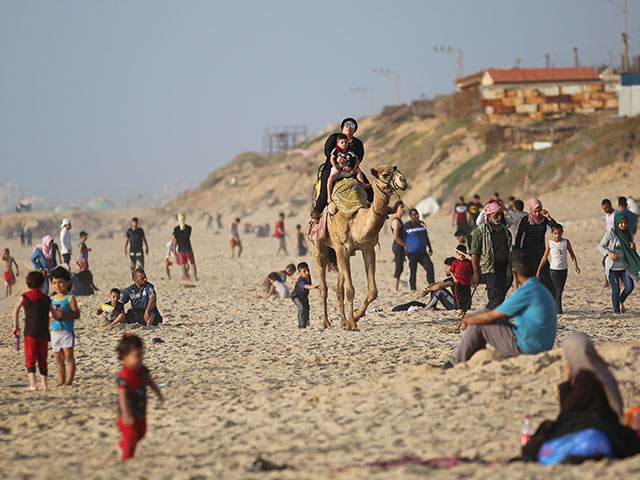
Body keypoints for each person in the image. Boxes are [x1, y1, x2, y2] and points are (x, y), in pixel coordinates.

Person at [522, 333, 640, 462]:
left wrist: (566, 381)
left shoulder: (586, 377)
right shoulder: (602, 371)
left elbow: (567, 409)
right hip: (608, 423)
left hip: (595, 425)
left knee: (545, 430)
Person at [443, 251, 557, 369]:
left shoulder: (525, 291)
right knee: (481, 318)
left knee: (480, 318)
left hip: (528, 348)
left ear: (515, 274)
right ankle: (472, 359)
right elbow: (503, 316)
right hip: (543, 346)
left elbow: (490, 316)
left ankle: (454, 363)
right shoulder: (541, 289)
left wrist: (467, 320)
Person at [115, 333, 164, 460]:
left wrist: (158, 393)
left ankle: (121, 445)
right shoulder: (124, 375)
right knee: (130, 435)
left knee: (141, 433)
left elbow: (149, 381)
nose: (141, 359)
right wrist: (125, 413)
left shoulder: (142, 370)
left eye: (142, 355)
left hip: (140, 409)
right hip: (127, 412)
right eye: (137, 356)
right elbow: (122, 397)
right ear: (124, 357)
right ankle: (127, 457)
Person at [12, 271, 60, 391]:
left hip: (30, 333)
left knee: (30, 357)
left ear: (28, 285)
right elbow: (54, 315)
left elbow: (15, 310)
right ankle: (44, 384)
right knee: (42, 357)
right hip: (43, 333)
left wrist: (15, 326)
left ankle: (33, 384)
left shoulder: (24, 297)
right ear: (43, 285)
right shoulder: (46, 299)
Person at [314, 117, 372, 213]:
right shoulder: (334, 138)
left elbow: (359, 157)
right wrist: (336, 159)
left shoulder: (358, 143)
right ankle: (316, 214)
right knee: (324, 191)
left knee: (369, 188)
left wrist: (351, 167)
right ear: (343, 127)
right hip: (332, 168)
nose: (349, 127)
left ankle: (378, 210)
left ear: (355, 129)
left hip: (350, 168)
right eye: (347, 125)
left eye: (352, 126)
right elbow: (327, 151)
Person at [469, 201, 512, 309]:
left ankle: (492, 320)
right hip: (489, 269)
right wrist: (475, 273)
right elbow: (474, 253)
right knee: (495, 297)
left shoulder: (504, 229)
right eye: (495, 215)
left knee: (501, 297)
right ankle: (482, 318)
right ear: (488, 216)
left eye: (500, 214)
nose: (498, 217)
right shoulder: (480, 231)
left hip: (503, 267)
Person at [598, 212, 640, 314]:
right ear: (616, 223)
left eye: (625, 223)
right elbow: (600, 246)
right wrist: (609, 253)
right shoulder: (611, 233)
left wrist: (633, 247)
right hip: (612, 268)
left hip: (624, 267)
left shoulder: (628, 233)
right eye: (621, 223)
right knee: (616, 290)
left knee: (630, 287)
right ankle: (616, 312)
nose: (623, 225)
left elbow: (630, 249)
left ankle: (620, 300)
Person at [515, 197, 558, 296]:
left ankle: (551, 300)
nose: (537, 214)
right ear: (531, 210)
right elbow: (519, 235)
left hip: (541, 251)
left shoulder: (543, 220)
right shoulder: (525, 220)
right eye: (535, 212)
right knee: (529, 276)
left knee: (546, 277)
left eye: (539, 211)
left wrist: (548, 216)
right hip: (528, 251)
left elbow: (555, 228)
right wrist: (517, 249)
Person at [536, 224, 580, 314]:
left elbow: (572, 255)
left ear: (562, 233)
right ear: (552, 233)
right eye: (555, 233)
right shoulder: (550, 243)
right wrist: (539, 270)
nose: (557, 235)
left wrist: (576, 266)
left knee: (560, 289)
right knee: (558, 289)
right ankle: (558, 310)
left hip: (564, 269)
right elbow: (544, 257)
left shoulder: (565, 242)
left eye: (559, 233)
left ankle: (554, 307)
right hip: (553, 270)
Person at [50, 266, 80, 387]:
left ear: (68, 283)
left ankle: (68, 380)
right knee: (58, 359)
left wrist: (65, 315)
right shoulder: (51, 299)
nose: (58, 285)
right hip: (54, 332)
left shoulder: (70, 299)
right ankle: (61, 380)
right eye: (54, 283)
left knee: (69, 357)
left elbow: (77, 314)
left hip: (66, 331)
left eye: (60, 282)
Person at [326, 133, 368, 204]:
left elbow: (357, 160)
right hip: (338, 170)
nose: (344, 144)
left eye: (346, 142)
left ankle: (362, 183)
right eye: (342, 142)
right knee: (330, 179)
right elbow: (331, 159)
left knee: (358, 170)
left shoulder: (350, 151)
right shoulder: (336, 150)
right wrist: (336, 169)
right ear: (338, 144)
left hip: (347, 170)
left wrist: (353, 170)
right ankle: (329, 197)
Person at [405, 208, 435, 291]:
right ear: (410, 216)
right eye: (414, 215)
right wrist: (404, 250)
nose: (416, 216)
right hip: (411, 253)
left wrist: (430, 247)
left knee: (430, 267)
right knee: (413, 271)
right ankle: (412, 288)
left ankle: (431, 285)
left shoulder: (422, 224)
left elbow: (426, 237)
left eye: (417, 214)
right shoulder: (407, 226)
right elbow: (403, 239)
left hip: (423, 253)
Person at [290, 262, 318, 328]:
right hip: (296, 296)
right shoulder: (301, 281)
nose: (307, 273)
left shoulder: (308, 276)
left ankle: (306, 321)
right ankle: (301, 326)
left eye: (308, 270)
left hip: (304, 296)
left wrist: (295, 280)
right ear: (300, 273)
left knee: (307, 308)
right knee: (301, 308)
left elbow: (299, 279)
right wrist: (313, 287)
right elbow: (305, 286)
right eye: (304, 271)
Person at [173, 212, 197, 281]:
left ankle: (185, 277)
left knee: (183, 264)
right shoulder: (189, 228)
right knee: (192, 263)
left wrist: (174, 249)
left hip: (181, 249)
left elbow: (175, 240)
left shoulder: (176, 229)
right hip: (188, 248)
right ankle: (195, 277)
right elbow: (187, 236)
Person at [450, 245, 473, 312]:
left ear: (466, 253)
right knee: (459, 296)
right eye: (459, 254)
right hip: (458, 282)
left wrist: (472, 281)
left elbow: (472, 273)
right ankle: (460, 308)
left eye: (463, 254)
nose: (461, 256)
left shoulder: (469, 263)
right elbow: (451, 271)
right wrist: (454, 278)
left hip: (467, 282)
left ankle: (466, 308)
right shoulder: (455, 262)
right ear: (457, 253)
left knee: (467, 295)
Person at [391, 203, 408, 292]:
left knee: (400, 267)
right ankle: (395, 288)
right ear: (396, 208)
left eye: (404, 207)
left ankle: (396, 288)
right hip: (398, 246)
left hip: (401, 245)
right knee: (399, 267)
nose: (403, 209)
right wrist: (405, 245)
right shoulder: (396, 221)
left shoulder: (400, 220)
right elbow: (395, 236)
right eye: (401, 207)